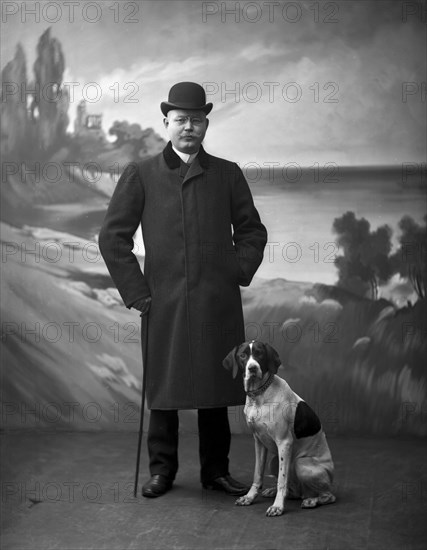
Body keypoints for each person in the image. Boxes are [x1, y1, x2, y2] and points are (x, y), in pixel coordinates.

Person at [99, 82, 267, 498]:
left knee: (215, 387)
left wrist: (236, 272)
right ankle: (162, 471)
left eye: (195, 119)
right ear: (166, 124)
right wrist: (138, 293)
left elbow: (251, 231)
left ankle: (216, 471)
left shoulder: (227, 174)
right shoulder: (141, 174)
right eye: (180, 120)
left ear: (206, 123)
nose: (188, 127)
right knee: (164, 386)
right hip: (163, 300)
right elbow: (112, 238)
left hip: (217, 300)